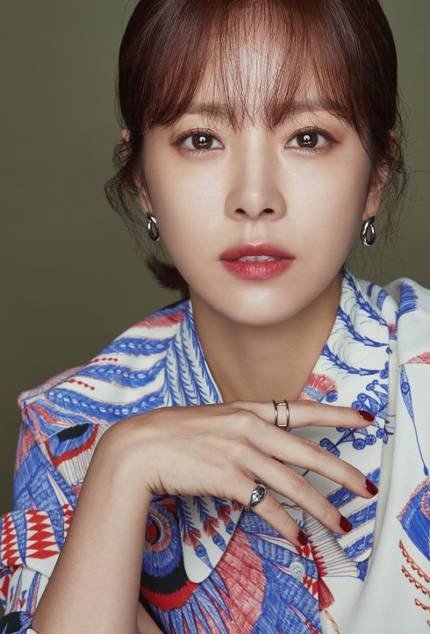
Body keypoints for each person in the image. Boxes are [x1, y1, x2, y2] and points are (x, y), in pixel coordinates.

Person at [0, 0, 429, 632]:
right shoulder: (70, 429)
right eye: (201, 139)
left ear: (376, 176)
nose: (254, 198)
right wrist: (122, 469)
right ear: (143, 179)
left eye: (307, 137)